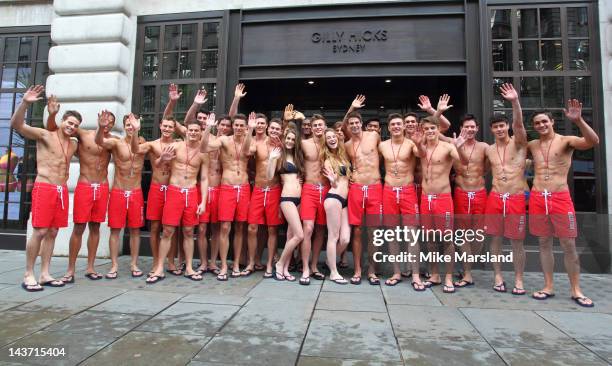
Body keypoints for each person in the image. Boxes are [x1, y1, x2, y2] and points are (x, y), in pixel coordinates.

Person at [528, 100, 598, 307]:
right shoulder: (532, 145)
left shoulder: (566, 141)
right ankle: (548, 286)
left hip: (560, 197)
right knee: (543, 242)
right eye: (537, 123)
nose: (541, 125)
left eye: (544, 121)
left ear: (552, 122)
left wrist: (579, 121)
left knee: (568, 244)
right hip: (538, 197)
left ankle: (576, 289)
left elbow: (593, 141)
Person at [13, 85, 79, 291]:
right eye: (69, 123)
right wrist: (24, 103)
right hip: (44, 187)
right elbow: (16, 125)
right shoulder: (44, 135)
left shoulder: (74, 143)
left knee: (53, 232)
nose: (71, 127)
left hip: (61, 191)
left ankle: (44, 273)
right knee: (40, 231)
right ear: (62, 122)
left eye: (75, 125)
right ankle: (28, 274)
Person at [46, 96, 116, 283]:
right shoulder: (83, 134)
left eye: (110, 122)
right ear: (99, 119)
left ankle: (91, 267)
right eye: (104, 120)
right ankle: (70, 269)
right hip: (85, 185)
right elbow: (55, 130)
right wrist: (52, 115)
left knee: (95, 227)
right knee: (79, 227)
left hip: (102, 187)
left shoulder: (113, 141)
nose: (107, 124)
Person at [146, 119, 209, 284]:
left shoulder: (203, 153)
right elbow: (159, 166)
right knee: (167, 231)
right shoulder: (176, 146)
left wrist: (203, 202)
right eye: (191, 130)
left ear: (200, 133)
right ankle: (159, 268)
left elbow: (204, 178)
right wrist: (162, 158)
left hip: (191, 193)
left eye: (197, 130)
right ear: (186, 131)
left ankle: (189, 267)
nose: (194, 133)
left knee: (189, 232)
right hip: (174, 191)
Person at [415, 113, 468, 293]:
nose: (429, 131)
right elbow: (418, 151)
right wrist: (417, 141)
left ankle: (448, 277)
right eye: (426, 128)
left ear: (439, 130)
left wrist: (459, 147)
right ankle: (435, 274)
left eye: (433, 128)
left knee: (446, 240)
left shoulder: (447, 147)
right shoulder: (421, 148)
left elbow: (464, 162)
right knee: (430, 240)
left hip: (443, 198)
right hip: (425, 198)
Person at [484, 83, 528, 295]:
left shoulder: (518, 144)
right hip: (495, 196)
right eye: (496, 127)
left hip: (515, 196)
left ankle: (519, 280)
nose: (500, 129)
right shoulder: (490, 150)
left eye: (502, 126)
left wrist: (514, 102)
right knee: (495, 238)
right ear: (492, 130)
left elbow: (519, 125)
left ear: (507, 127)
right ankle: (498, 276)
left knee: (517, 240)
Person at [201, 112, 257, 280]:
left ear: (246, 127)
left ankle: (236, 264)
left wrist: (251, 131)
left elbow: (247, 151)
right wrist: (208, 127)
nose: (239, 128)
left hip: (244, 187)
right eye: (237, 125)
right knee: (225, 227)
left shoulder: (251, 141)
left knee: (240, 227)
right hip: (227, 187)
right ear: (233, 126)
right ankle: (224, 264)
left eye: (242, 125)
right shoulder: (224, 140)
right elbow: (204, 147)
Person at [96, 112, 146, 279]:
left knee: (135, 230)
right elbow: (99, 141)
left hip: (136, 192)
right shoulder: (116, 143)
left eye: (133, 124)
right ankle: (114, 265)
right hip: (118, 190)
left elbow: (137, 148)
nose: (130, 127)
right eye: (128, 125)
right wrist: (101, 127)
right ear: (124, 127)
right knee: (115, 230)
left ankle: (133, 263)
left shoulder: (143, 143)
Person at [379, 113, 424, 289]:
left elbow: (421, 154)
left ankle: (415, 275)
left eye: (399, 124)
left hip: (407, 191)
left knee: (412, 234)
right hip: (389, 191)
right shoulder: (382, 146)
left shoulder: (411, 144)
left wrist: (419, 143)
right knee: (392, 234)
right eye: (393, 124)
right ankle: (396, 272)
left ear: (403, 126)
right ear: (388, 128)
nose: (396, 127)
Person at [342, 95, 383, 285]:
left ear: (362, 124)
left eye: (357, 122)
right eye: (351, 123)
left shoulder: (373, 136)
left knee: (373, 230)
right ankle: (357, 269)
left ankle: (372, 270)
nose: (354, 125)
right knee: (357, 230)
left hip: (375, 187)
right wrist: (350, 108)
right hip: (357, 188)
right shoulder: (347, 145)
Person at [452, 114, 489, 288]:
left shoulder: (484, 147)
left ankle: (469, 266)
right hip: (461, 192)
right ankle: (467, 273)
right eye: (466, 126)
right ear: (461, 128)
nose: (470, 129)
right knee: (462, 234)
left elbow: (489, 167)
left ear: (477, 128)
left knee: (478, 235)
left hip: (479, 193)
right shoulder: (453, 144)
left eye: (473, 126)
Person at [268, 126, 308, 283]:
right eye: (288, 138)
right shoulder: (278, 155)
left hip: (299, 199)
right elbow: (270, 175)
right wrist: (271, 159)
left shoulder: (297, 157)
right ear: (284, 139)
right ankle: (278, 264)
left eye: (292, 139)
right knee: (299, 235)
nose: (290, 141)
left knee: (291, 236)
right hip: (287, 199)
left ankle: (284, 268)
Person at [300, 114, 329, 281]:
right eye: (315, 125)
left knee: (320, 230)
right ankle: (305, 268)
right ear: (310, 128)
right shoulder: (304, 144)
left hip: (325, 189)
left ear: (325, 127)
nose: (318, 127)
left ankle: (314, 265)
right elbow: (292, 157)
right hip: (309, 189)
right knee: (308, 229)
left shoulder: (331, 143)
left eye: (321, 125)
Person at [321, 128, 352, 284]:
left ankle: (329, 260)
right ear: (325, 142)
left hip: (345, 202)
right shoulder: (328, 160)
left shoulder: (343, 157)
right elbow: (332, 183)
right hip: (334, 198)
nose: (332, 139)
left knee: (345, 239)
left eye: (333, 136)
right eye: (328, 138)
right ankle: (333, 272)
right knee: (333, 236)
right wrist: (332, 180)